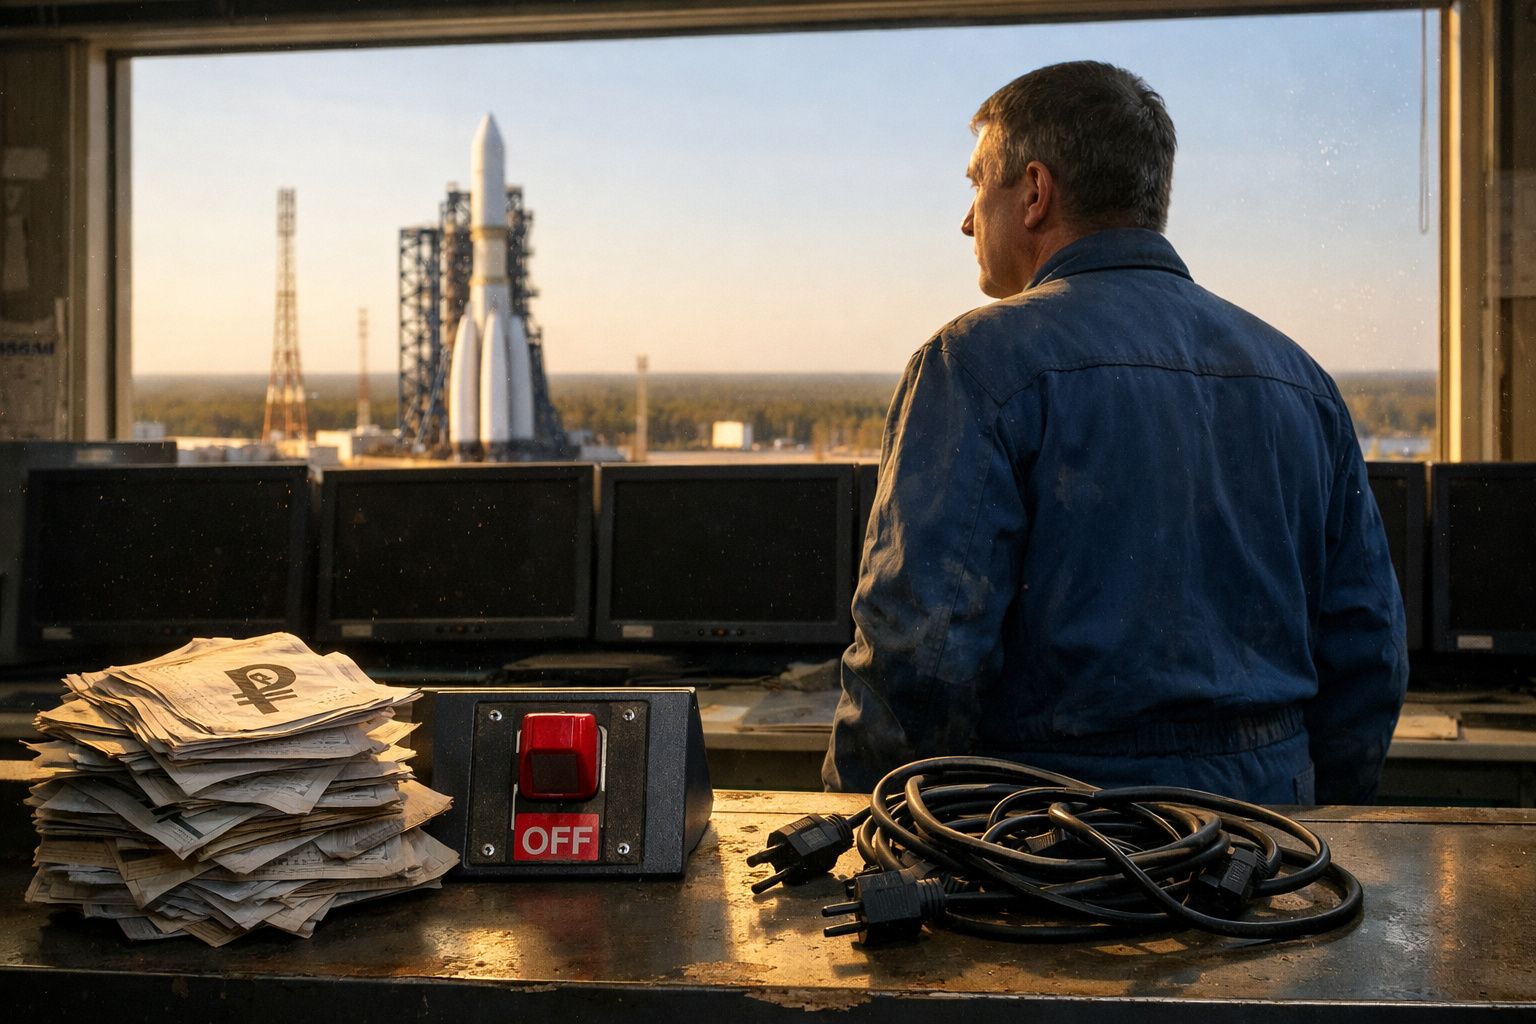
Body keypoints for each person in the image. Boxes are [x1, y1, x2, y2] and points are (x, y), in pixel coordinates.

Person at [823, 61, 1407, 804]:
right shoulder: (1299, 377)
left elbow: (921, 651)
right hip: (1268, 838)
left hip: (1054, 842)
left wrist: (858, 820)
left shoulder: (974, 362)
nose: (967, 220)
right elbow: (1369, 646)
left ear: (1034, 193)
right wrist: (1316, 819)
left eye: (977, 185)